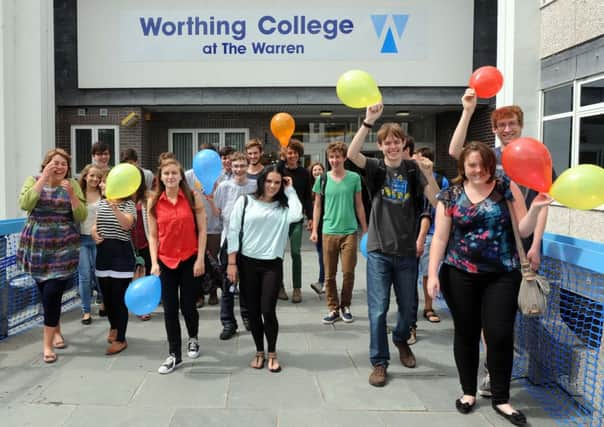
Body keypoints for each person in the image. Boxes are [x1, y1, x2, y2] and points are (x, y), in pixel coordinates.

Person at [427, 141, 552, 425]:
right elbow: (440, 238)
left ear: (490, 165)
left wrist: (536, 209)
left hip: (502, 274)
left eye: (483, 164)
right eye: (472, 165)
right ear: (464, 167)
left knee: (499, 335)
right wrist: (433, 274)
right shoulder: (450, 195)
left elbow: (523, 229)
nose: (478, 170)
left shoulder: (506, 188)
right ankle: (468, 391)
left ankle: (501, 399)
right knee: (466, 333)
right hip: (459, 274)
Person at [448, 89, 552, 397]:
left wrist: (535, 246)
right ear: (494, 129)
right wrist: (467, 111)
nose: (507, 129)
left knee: (516, 314)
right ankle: (493, 371)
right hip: (488, 251)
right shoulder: (490, 158)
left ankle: (508, 367)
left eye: (512, 124)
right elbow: (456, 151)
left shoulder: (535, 153)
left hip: (521, 244)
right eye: (501, 125)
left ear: (521, 125)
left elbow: (542, 201)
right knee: (487, 319)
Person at [347, 103, 440, 387]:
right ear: (382, 146)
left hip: (407, 253)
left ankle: (401, 339)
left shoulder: (413, 170)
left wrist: (429, 174)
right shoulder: (375, 168)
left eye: (396, 142)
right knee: (377, 309)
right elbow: (352, 154)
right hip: (378, 251)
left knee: (409, 307)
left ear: (404, 145)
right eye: (387, 143)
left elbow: (437, 202)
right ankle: (379, 361)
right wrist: (368, 121)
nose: (392, 147)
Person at [226, 166, 303, 372]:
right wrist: (232, 263)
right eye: (269, 181)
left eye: (277, 182)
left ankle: (272, 353)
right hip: (246, 263)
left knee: (268, 311)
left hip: (272, 265)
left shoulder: (284, 208)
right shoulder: (245, 202)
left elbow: (297, 214)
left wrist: (290, 190)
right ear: (262, 181)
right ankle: (259, 351)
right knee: (252, 312)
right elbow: (233, 231)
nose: (272, 186)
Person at [17, 148, 87, 363]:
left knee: (52, 293)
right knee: (45, 292)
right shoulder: (33, 180)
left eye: (63, 164)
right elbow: (25, 204)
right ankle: (55, 331)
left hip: (62, 247)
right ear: (46, 164)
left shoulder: (72, 184)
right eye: (55, 163)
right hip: (37, 247)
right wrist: (43, 179)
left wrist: (72, 195)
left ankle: (46, 346)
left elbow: (81, 215)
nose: (59, 167)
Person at [148, 158, 207, 374]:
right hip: (165, 261)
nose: (170, 177)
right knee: (170, 309)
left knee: (188, 305)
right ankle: (174, 354)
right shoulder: (154, 201)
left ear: (181, 176)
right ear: (160, 177)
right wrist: (154, 262)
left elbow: (202, 231)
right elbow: (153, 235)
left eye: (174, 173)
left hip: (190, 260)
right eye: (166, 174)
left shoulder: (192, 197)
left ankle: (193, 338)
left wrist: (200, 259)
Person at [311, 142, 367, 324]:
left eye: (338, 157)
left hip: (350, 231)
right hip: (328, 231)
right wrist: (314, 230)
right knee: (329, 274)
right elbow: (317, 206)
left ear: (344, 157)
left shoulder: (354, 178)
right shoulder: (322, 179)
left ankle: (345, 305)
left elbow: (359, 204)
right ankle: (333, 308)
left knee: (348, 272)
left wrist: (364, 228)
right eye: (331, 157)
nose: (334, 160)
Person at [211, 152, 257, 340]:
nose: (239, 169)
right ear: (231, 166)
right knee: (228, 284)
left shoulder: (255, 186)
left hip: (250, 241)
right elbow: (219, 212)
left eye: (242, 165)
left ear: (247, 166)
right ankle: (228, 322)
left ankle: (248, 317)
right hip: (229, 241)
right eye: (235, 166)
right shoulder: (224, 187)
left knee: (248, 284)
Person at [92, 179, 137, 355]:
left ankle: (121, 339)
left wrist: (115, 208)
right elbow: (97, 224)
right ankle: (114, 327)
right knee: (107, 298)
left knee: (119, 298)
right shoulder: (102, 203)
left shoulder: (129, 204)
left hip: (121, 254)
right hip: (103, 253)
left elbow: (127, 225)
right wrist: (94, 233)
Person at [410, 147, 450, 338]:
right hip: (410, 232)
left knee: (428, 273)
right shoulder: (410, 177)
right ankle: (411, 313)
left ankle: (428, 307)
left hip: (431, 234)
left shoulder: (439, 180)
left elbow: (430, 211)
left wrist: (421, 237)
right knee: (410, 274)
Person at [276, 140, 314, 303]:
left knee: (296, 253)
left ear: (299, 154)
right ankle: (280, 286)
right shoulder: (279, 169)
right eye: (289, 153)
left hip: (297, 218)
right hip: (280, 217)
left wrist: (311, 217)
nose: (292, 155)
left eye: (294, 152)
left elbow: (307, 197)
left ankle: (297, 289)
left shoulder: (304, 173)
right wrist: (281, 159)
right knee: (278, 254)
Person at [77, 164, 103, 325]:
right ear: (85, 176)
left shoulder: (104, 194)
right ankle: (86, 311)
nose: (94, 179)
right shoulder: (78, 194)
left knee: (100, 275)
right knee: (85, 276)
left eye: (98, 177)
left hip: (99, 239)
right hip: (81, 239)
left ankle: (103, 302)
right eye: (92, 175)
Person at [308, 162, 326, 295]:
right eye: (315, 170)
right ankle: (322, 280)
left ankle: (323, 281)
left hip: (326, 223)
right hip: (316, 225)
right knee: (320, 253)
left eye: (319, 169)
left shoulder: (326, 184)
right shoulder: (310, 187)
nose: (317, 172)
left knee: (323, 255)